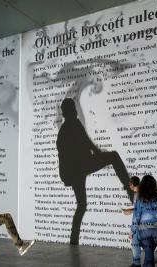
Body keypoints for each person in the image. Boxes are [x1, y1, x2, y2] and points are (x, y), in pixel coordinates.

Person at [57, 98, 133, 245]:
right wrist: (98, 156)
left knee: (81, 205)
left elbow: (88, 143)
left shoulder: (73, 125)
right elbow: (70, 153)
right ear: (69, 112)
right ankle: (130, 190)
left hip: (79, 168)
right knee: (113, 156)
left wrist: (98, 155)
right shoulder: (67, 130)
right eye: (73, 109)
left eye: (74, 109)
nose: (75, 111)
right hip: (78, 169)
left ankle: (73, 241)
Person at [131, 175, 157, 267]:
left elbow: (136, 217)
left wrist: (132, 231)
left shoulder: (140, 199)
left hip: (144, 231)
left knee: (149, 258)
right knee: (149, 255)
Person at [123, 176, 144, 266]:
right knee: (136, 244)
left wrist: (132, 230)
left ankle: (137, 264)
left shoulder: (139, 195)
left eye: (130, 184)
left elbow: (140, 211)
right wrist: (130, 210)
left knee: (135, 244)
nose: (129, 186)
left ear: (132, 184)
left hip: (139, 224)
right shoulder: (138, 194)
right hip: (139, 224)